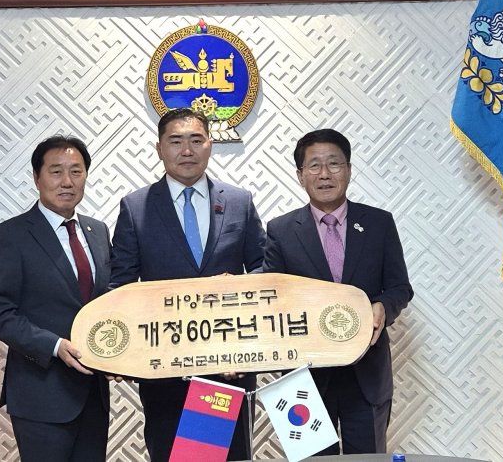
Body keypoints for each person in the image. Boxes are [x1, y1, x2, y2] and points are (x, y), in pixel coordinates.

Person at [109, 108, 266, 462]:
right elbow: (121, 286)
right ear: (159, 148)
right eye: (176, 141)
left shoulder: (239, 202)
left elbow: (263, 270)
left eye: (196, 140)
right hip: (165, 373)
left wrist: (238, 288)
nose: (187, 151)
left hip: (229, 368)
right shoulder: (136, 207)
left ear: (210, 145)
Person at [263, 128, 413, 455]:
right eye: (314, 165)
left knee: (369, 459)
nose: (325, 174)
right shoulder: (280, 230)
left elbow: (400, 287)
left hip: (366, 373)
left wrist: (382, 306)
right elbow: (272, 297)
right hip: (304, 378)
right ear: (300, 175)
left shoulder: (379, 223)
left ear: (348, 169)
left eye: (334, 163)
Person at [0, 135, 112, 462]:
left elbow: (109, 302)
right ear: (37, 177)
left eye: (76, 171)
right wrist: (54, 345)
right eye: (56, 171)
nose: (67, 181)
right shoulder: (10, 236)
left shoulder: (98, 232)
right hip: (40, 394)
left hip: (93, 395)